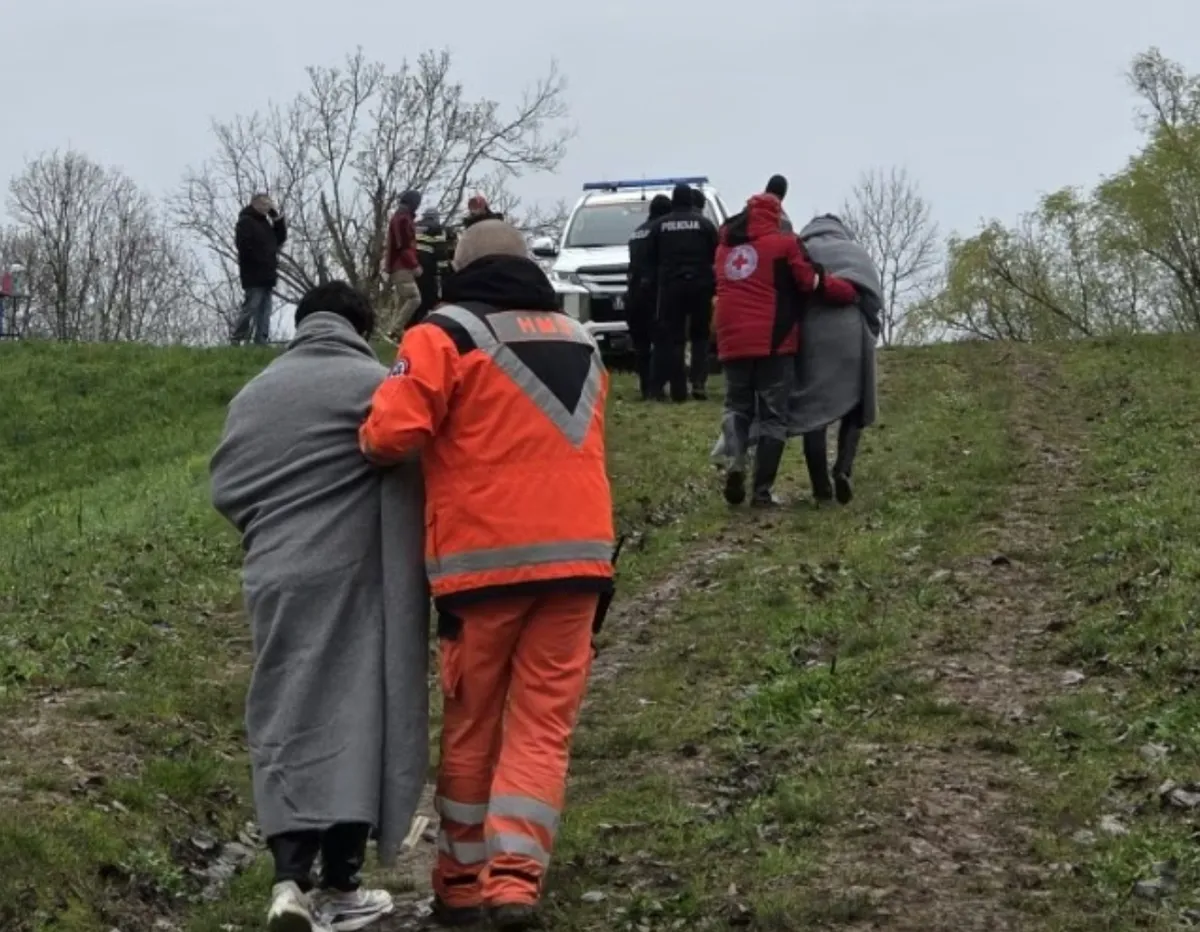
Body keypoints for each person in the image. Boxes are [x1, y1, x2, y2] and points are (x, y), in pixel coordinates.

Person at [359, 219, 616, 932]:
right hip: (580, 562)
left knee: (473, 727)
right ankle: (516, 883)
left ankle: (463, 888)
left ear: (459, 270)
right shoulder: (583, 338)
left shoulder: (442, 334)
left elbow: (390, 435)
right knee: (541, 728)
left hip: (483, 572)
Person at [210, 281, 429, 932]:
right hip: (353, 580)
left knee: (285, 713)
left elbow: (227, 486)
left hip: (272, 577)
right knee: (355, 721)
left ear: (303, 325)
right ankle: (339, 887)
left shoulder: (255, 394)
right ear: (361, 328)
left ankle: (286, 883)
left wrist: (270, 529)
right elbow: (409, 452)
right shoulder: (373, 382)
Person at [713, 192, 859, 507]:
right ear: (776, 216)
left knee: (737, 406)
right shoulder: (785, 243)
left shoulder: (725, 247)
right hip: (773, 341)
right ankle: (761, 493)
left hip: (730, 339)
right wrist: (847, 291)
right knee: (773, 417)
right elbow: (810, 282)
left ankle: (736, 460)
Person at [792, 215, 882, 504]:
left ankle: (820, 487)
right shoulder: (856, 252)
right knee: (855, 404)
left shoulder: (801, 251)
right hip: (851, 332)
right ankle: (843, 469)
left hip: (813, 332)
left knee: (814, 408)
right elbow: (873, 301)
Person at [645, 183, 719, 402]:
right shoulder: (705, 225)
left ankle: (678, 389)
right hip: (701, 287)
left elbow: (650, 258)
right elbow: (717, 256)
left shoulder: (660, 226)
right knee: (700, 337)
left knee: (675, 338)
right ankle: (698, 383)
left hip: (671, 288)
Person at [626, 193, 673, 400]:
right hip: (654, 294)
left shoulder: (637, 232)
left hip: (633, 293)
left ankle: (645, 388)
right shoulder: (660, 231)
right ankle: (656, 389)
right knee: (661, 342)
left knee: (641, 345)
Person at [233, 193, 287, 345]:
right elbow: (244, 247)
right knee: (251, 306)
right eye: (264, 204)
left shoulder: (265, 223)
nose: (267, 207)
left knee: (265, 309)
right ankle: (237, 337)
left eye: (269, 204)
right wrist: (260, 260)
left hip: (268, 274)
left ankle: (261, 339)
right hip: (253, 273)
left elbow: (279, 239)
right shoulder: (245, 222)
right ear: (255, 204)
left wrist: (277, 220)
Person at [383, 190, 424, 341]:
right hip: (402, 265)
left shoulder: (400, 217)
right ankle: (395, 330)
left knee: (402, 300)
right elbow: (403, 246)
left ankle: (394, 332)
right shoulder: (402, 219)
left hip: (398, 265)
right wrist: (414, 265)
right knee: (414, 298)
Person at [414, 208, 452, 326]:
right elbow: (440, 251)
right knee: (428, 297)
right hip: (427, 266)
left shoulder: (414, 226)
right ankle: (423, 323)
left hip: (411, 265)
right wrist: (445, 271)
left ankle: (408, 324)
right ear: (436, 217)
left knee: (414, 297)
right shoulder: (437, 228)